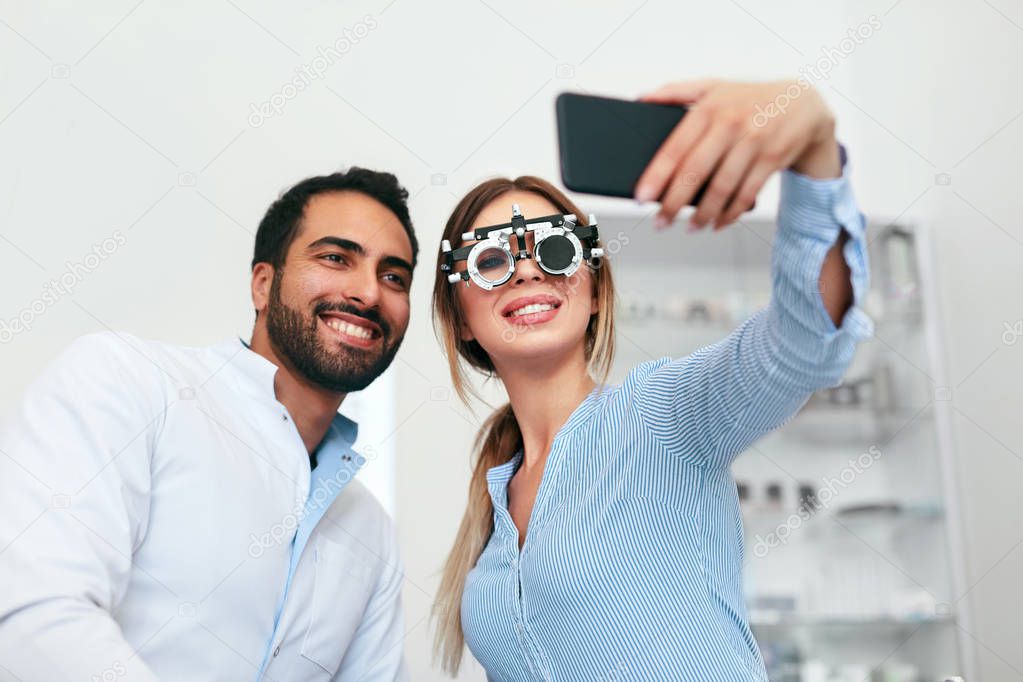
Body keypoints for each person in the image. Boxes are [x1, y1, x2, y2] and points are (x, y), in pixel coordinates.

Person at [431, 79, 873, 680]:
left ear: (594, 292)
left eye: (556, 250)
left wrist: (814, 142)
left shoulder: (660, 415)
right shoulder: (493, 499)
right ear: (458, 317)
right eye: (490, 259)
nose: (527, 270)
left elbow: (803, 343)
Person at [0, 168, 417, 680]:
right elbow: (33, 617)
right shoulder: (128, 383)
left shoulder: (368, 529)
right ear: (263, 284)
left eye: (394, 276)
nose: (368, 293)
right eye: (336, 258)